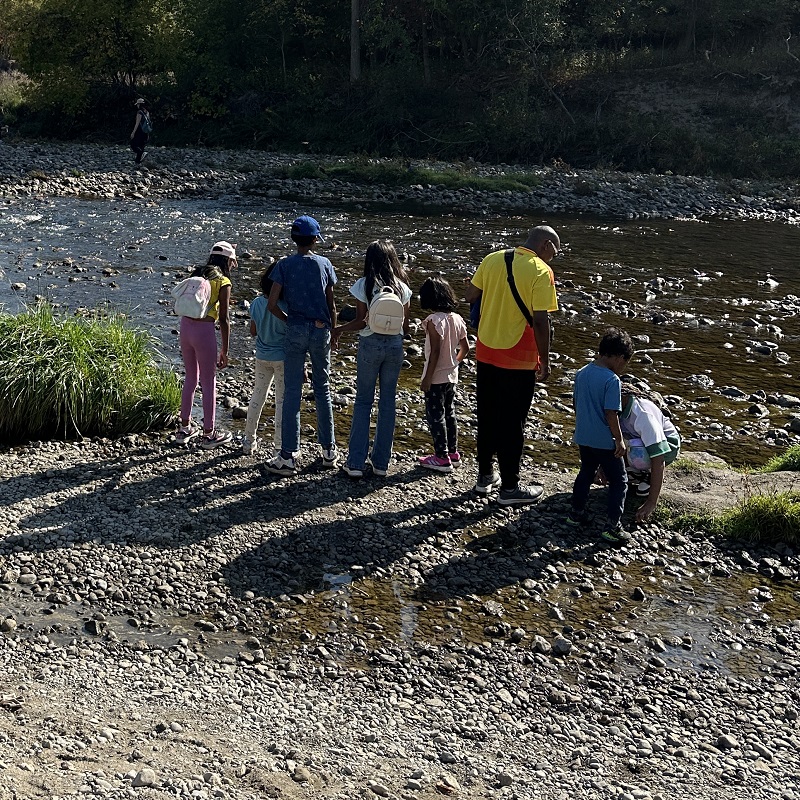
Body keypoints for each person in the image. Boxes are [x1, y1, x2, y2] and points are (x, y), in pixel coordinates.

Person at [464, 225, 559, 505]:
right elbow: (541, 321)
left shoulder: (492, 258)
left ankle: (484, 477)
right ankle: (510, 488)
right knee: (513, 423)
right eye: (556, 250)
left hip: (486, 350)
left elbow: (470, 294)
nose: (556, 255)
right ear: (546, 245)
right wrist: (545, 360)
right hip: (519, 357)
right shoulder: (541, 271)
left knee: (487, 415)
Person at [266, 216, 338, 476]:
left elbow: (272, 304)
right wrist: (333, 330)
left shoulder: (284, 265)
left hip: (295, 328)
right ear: (316, 239)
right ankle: (329, 450)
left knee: (292, 391)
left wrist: (290, 322)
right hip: (321, 329)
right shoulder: (325, 264)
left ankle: (287, 455)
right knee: (323, 388)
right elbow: (331, 305)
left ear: (293, 239)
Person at [333, 240, 411, 478]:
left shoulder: (364, 284)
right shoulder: (402, 287)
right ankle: (381, 464)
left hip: (370, 344)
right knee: (388, 403)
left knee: (363, 401)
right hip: (395, 346)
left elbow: (360, 322)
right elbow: (405, 327)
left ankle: (355, 463)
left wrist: (338, 329)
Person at [567, 327, 634, 544]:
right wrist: (619, 440)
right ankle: (613, 527)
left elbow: (576, 403)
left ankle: (575, 515)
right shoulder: (611, 380)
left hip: (584, 436)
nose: (623, 366)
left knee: (586, 472)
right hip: (604, 440)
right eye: (624, 361)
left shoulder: (582, 372)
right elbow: (611, 413)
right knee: (619, 480)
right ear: (617, 357)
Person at [175, 241, 236, 449]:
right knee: (209, 381)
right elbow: (224, 318)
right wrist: (225, 350)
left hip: (185, 327)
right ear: (228, 260)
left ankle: (184, 428)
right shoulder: (223, 281)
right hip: (204, 331)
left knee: (190, 377)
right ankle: (209, 433)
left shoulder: (197, 273)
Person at [417, 276, 470, 473]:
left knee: (435, 415)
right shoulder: (457, 318)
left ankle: (441, 457)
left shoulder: (433, 321)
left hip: (436, 376)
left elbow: (435, 353)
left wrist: (427, 379)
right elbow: (465, 348)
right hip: (451, 375)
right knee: (450, 412)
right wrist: (454, 362)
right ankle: (453, 453)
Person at [242, 264, 287, 457]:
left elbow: (253, 331)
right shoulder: (286, 306)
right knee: (281, 401)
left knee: (257, 396)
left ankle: (248, 440)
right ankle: (279, 445)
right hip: (283, 358)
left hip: (262, 356)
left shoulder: (256, 303)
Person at [620, 382, 681, 523]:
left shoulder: (642, 414)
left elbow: (658, 457)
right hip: (638, 441)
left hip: (668, 445)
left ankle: (646, 476)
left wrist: (651, 502)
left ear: (624, 398)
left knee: (636, 447)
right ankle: (637, 473)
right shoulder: (616, 410)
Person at [130, 99, 151, 164]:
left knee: (133, 144)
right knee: (141, 146)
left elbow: (137, 123)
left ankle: (141, 154)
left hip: (140, 131)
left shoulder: (139, 112)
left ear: (139, 104)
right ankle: (137, 162)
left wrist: (133, 132)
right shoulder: (147, 112)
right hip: (146, 132)